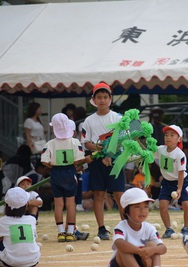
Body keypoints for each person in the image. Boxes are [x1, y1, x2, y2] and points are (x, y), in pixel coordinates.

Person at [81, 82, 126, 240]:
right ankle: (101, 228)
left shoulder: (117, 118)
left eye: (105, 97)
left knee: (119, 195)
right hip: (96, 161)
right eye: (98, 97)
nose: (102, 100)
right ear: (93, 99)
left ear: (110, 99)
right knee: (98, 195)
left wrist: (110, 154)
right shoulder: (88, 121)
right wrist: (101, 150)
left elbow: (122, 139)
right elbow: (86, 142)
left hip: (115, 160)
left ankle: (126, 227)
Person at [41, 113, 90, 242]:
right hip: (69, 172)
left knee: (58, 204)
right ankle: (70, 232)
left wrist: (52, 164)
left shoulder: (49, 144)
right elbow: (79, 160)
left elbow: (45, 162)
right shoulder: (74, 142)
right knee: (71, 204)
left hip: (55, 173)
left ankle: (60, 232)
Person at [109, 188, 167, 267]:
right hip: (123, 263)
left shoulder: (150, 228)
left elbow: (163, 248)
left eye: (146, 206)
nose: (142, 210)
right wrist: (140, 251)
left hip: (143, 261)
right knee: (123, 250)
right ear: (125, 210)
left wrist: (151, 250)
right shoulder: (121, 227)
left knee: (152, 245)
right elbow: (119, 243)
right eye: (137, 207)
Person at [153, 125, 188, 238]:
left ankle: (186, 228)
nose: (168, 137)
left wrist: (179, 189)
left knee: (186, 204)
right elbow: (149, 153)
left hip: (182, 181)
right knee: (162, 205)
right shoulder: (160, 149)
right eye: (166, 135)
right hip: (167, 182)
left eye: (172, 135)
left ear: (179, 139)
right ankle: (168, 229)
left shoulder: (180, 154)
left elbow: (181, 173)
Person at [0, 187, 41, 266]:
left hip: (11, 263)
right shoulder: (31, 219)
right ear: (26, 205)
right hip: (33, 261)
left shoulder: (3, 221)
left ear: (6, 205)